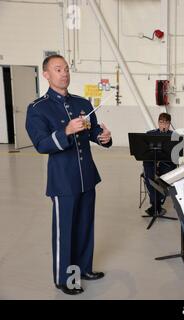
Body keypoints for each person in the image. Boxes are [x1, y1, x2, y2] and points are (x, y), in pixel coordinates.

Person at [25, 55, 112, 295]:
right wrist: (66, 131)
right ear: (46, 75)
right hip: (63, 180)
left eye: (65, 69)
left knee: (85, 226)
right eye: (58, 69)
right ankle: (65, 279)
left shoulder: (82, 102)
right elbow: (42, 144)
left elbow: (93, 132)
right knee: (66, 232)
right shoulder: (37, 108)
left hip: (87, 176)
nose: (64, 73)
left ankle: (84, 269)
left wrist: (103, 137)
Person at [143, 113, 177, 216]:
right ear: (158, 123)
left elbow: (176, 156)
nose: (163, 125)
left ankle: (156, 204)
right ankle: (155, 204)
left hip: (167, 164)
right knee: (149, 176)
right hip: (153, 163)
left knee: (163, 179)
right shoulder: (150, 134)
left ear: (169, 124)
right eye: (161, 122)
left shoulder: (174, 136)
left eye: (166, 123)